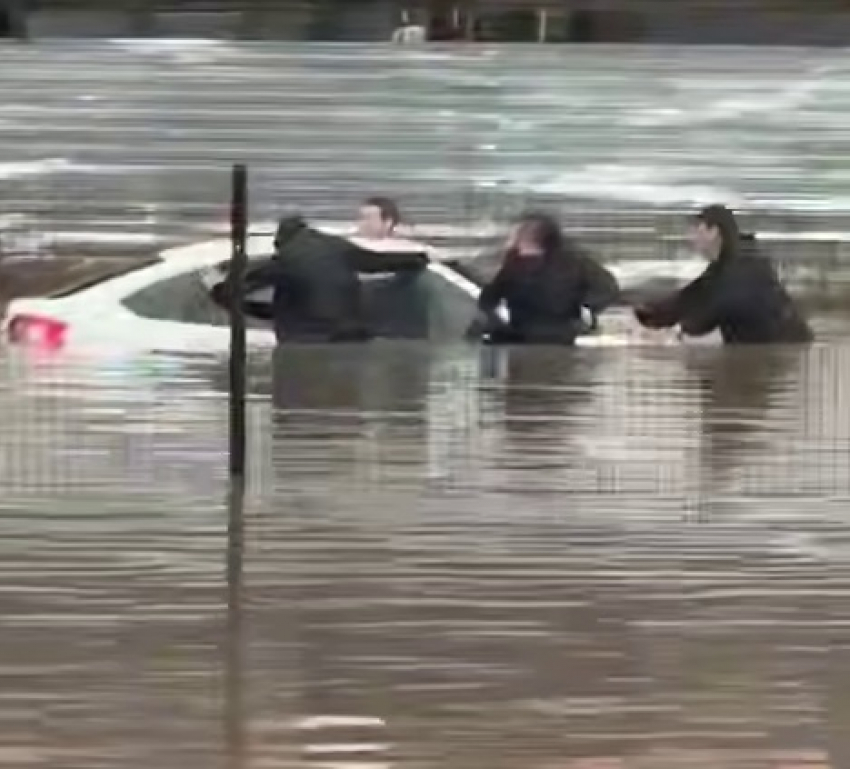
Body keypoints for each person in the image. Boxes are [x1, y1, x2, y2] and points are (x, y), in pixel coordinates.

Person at [213, 213, 429, 343]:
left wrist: (222, 293)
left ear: (282, 241)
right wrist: (417, 259)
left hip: (307, 338)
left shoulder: (287, 258)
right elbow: (376, 262)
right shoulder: (337, 246)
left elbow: (245, 286)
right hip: (354, 333)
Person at [634, 204, 813, 344]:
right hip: (762, 347)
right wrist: (645, 314)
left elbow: (710, 313)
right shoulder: (722, 267)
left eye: (696, 229)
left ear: (713, 232)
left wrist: (675, 332)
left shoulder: (743, 269)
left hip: (783, 348)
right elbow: (689, 297)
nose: (690, 237)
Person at [471, 212, 620, 345]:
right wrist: (494, 320)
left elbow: (607, 288)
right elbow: (491, 297)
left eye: (517, 234)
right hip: (522, 330)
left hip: (561, 330)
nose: (511, 239)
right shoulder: (514, 262)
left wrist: (586, 308)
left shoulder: (573, 260)